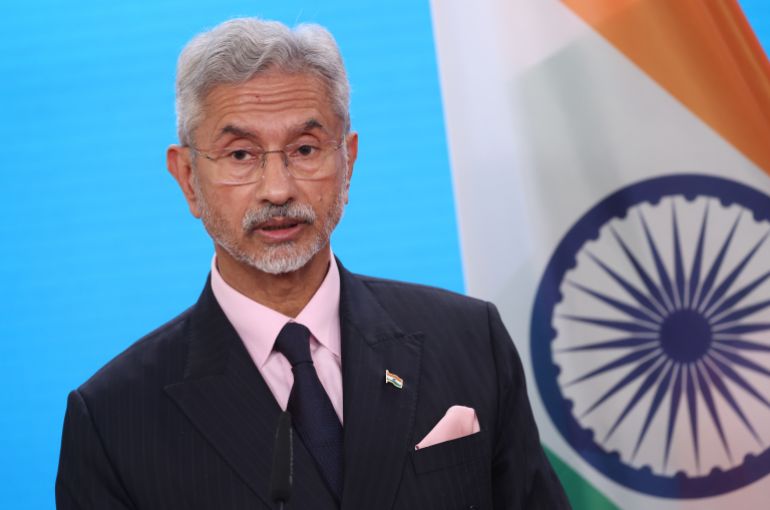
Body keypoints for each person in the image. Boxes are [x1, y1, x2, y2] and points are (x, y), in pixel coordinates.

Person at [55, 17, 570, 510]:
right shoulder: (113, 421)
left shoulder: (470, 341)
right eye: (240, 155)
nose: (278, 189)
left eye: (304, 149)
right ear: (188, 177)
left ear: (348, 161)